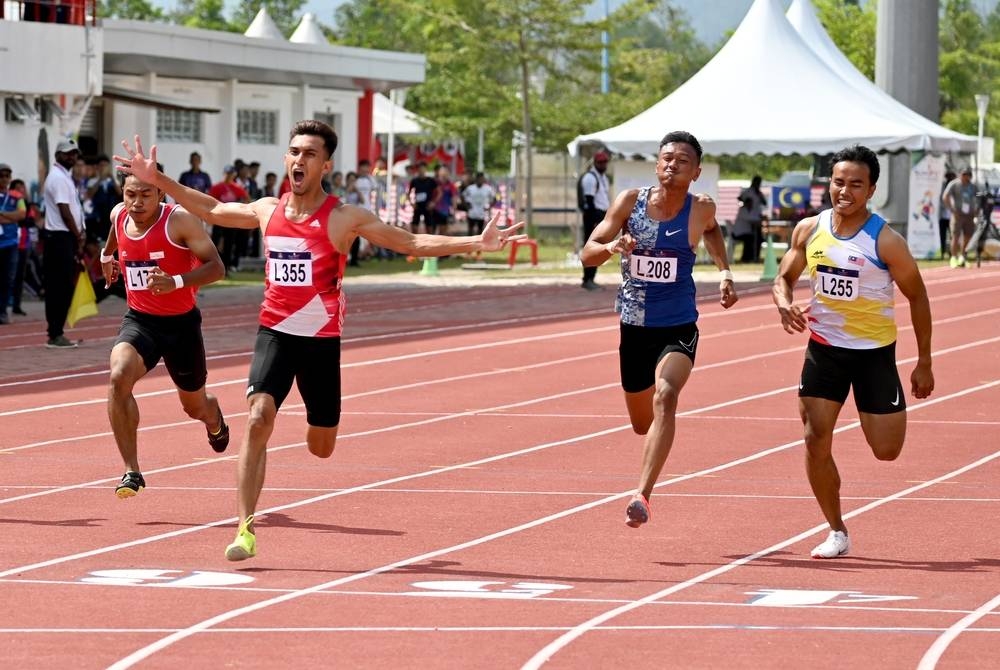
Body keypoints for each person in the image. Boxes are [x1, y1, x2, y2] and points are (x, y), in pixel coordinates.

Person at [115, 120, 525, 561]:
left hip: (320, 342)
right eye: (294, 152)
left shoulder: (343, 217)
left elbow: (411, 241)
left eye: (310, 154)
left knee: (321, 445)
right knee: (258, 417)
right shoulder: (267, 210)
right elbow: (213, 209)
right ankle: (245, 528)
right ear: (286, 159)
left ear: (325, 165)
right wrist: (159, 181)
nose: (299, 160)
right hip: (275, 333)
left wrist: (475, 242)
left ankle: (316, 429)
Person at [773, 144, 934, 559]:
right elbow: (784, 277)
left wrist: (924, 362)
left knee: (886, 450)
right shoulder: (809, 229)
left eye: (856, 185)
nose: (845, 191)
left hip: (873, 354)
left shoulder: (886, 241)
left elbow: (918, 296)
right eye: (839, 182)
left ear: (871, 189)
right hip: (824, 349)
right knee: (814, 437)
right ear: (829, 183)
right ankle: (836, 530)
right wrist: (784, 302)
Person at [580, 130, 738, 528]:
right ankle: (657, 438)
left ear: (696, 172)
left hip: (678, 324)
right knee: (642, 423)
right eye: (667, 158)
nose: (673, 165)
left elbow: (712, 230)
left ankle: (642, 495)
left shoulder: (701, 208)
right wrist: (611, 248)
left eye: (683, 161)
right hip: (634, 326)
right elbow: (587, 253)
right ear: (656, 164)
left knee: (666, 396)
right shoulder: (630, 202)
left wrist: (724, 272)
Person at [98, 173, 230, 498]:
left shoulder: (180, 221)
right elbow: (114, 233)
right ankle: (132, 470)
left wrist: (176, 282)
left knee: (194, 407)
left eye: (146, 194)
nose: (137, 202)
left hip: (181, 326)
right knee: (118, 376)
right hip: (140, 321)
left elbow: (217, 267)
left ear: (160, 194)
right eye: (131, 194)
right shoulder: (119, 215)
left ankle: (214, 419)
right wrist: (106, 257)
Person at [42, 138, 86, 348]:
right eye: (68, 153)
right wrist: (78, 235)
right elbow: (65, 211)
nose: (72, 156)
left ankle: (56, 331)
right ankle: (55, 333)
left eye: (74, 153)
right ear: (58, 155)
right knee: (59, 286)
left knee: (64, 285)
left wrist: (79, 232)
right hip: (60, 237)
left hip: (64, 237)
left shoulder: (64, 176)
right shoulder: (58, 178)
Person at [579, 151, 611, 290]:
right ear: (595, 163)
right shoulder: (590, 178)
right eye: (600, 162)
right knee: (591, 248)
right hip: (593, 216)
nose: (603, 165)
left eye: (605, 162)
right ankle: (587, 279)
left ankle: (591, 278)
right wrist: (594, 221)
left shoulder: (603, 178)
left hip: (601, 215)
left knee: (599, 248)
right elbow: (589, 201)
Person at [0, 163, 26, 325]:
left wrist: (3, 214)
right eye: (1, 176)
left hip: (11, 243)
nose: (4, 179)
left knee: (8, 279)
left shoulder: (16, 195)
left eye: (7, 176)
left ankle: (2, 311)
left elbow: (22, 214)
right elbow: (15, 215)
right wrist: (12, 216)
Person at [942, 167, 976, 268]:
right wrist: (952, 209)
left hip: (969, 215)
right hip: (958, 215)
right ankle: (953, 258)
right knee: (955, 236)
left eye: (968, 175)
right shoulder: (954, 184)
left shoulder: (973, 186)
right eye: (964, 174)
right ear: (960, 175)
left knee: (967, 236)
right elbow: (945, 196)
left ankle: (963, 257)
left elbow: (978, 196)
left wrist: (977, 208)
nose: (966, 177)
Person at [731, 175, 767, 263]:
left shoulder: (758, 193)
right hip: (741, 232)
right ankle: (748, 258)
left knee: (758, 237)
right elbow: (740, 198)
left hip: (751, 225)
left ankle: (754, 257)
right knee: (753, 238)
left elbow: (764, 203)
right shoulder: (744, 209)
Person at [407, 161, 437, 234]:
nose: (421, 170)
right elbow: (408, 193)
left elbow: (439, 192)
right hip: (418, 206)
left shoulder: (431, 180)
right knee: (414, 227)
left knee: (429, 227)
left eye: (423, 168)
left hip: (427, 206)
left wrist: (433, 202)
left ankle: (430, 240)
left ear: (425, 169)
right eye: (420, 168)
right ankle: (415, 240)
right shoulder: (414, 181)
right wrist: (411, 203)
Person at [938, 170, 955, 260]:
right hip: (943, 216)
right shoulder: (942, 187)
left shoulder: (955, 187)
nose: (950, 179)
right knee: (942, 236)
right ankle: (942, 252)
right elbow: (941, 200)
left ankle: (952, 253)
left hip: (952, 216)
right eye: (949, 177)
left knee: (953, 236)